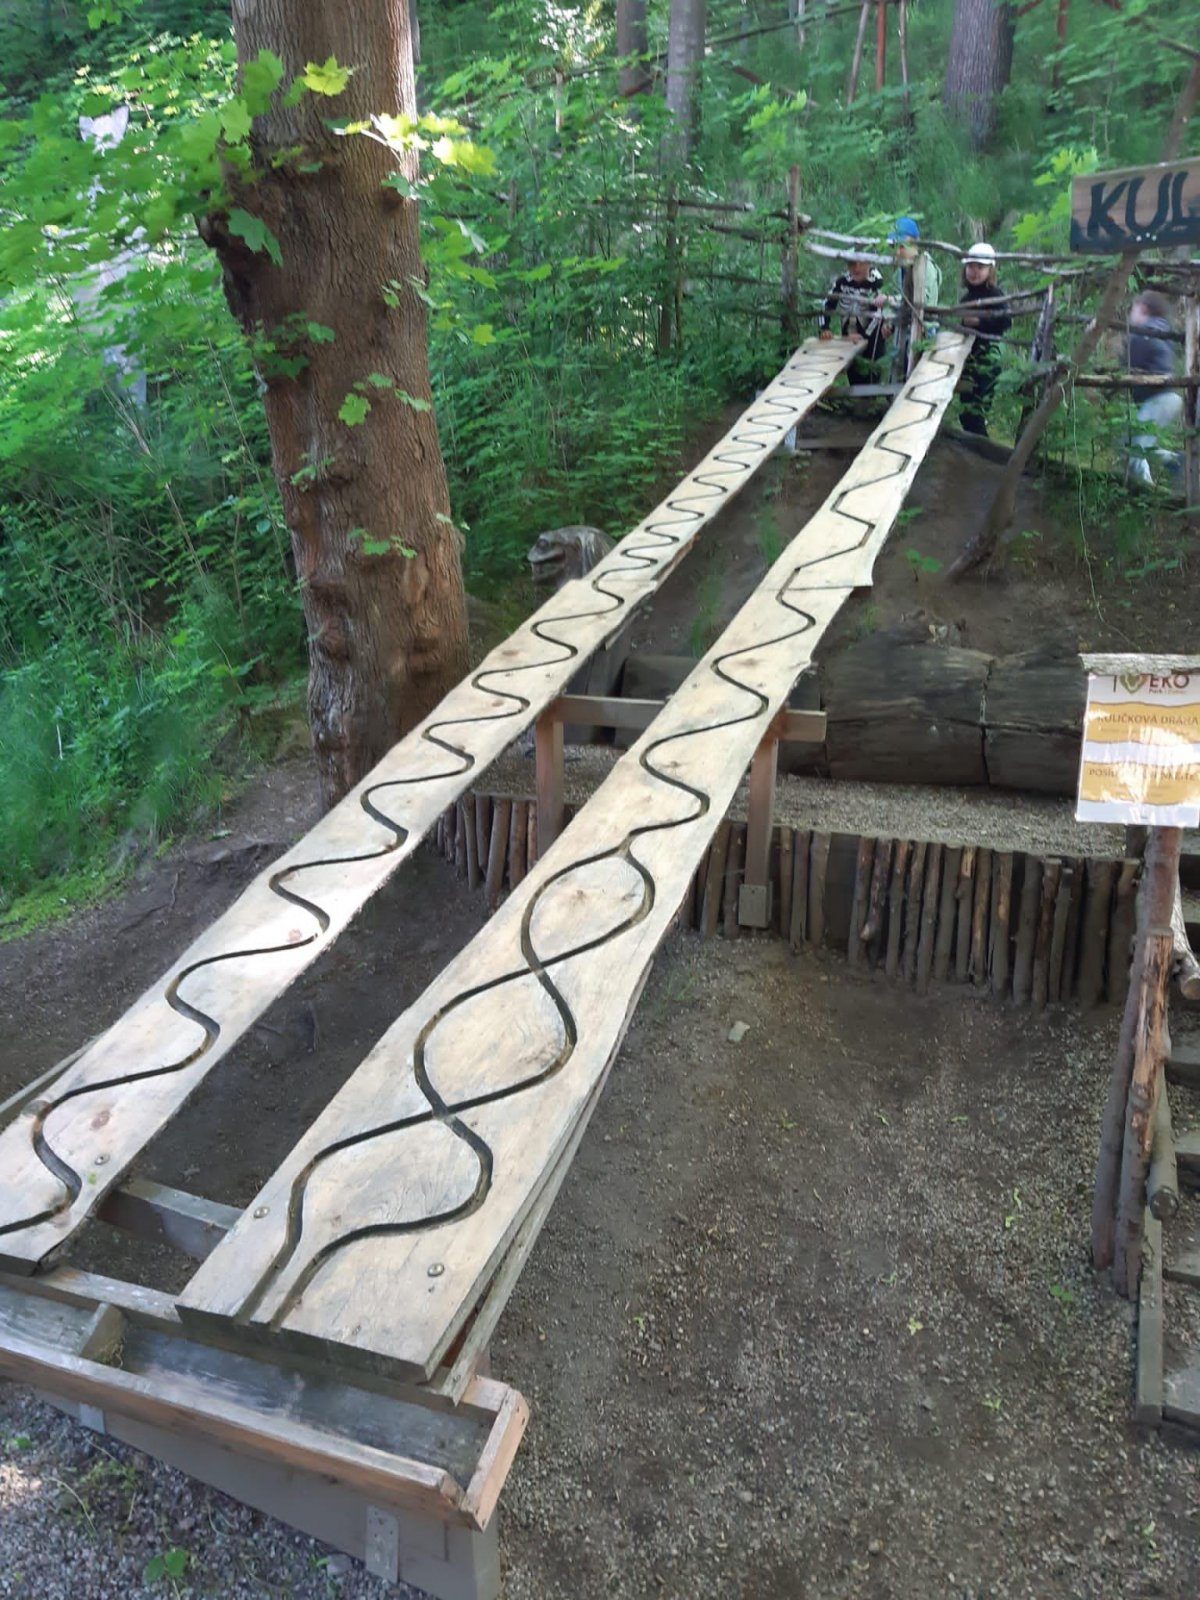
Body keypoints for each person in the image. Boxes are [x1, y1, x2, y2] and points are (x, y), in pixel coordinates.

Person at [1125, 290, 1182, 488]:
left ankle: (1147, 491)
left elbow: (1129, 364)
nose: (1130, 314)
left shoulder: (1144, 333)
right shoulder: (1161, 331)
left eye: (1133, 309)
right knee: (1136, 443)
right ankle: (1175, 461)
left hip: (1157, 398)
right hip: (1168, 397)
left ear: (1143, 308)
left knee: (1136, 450)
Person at [957, 241, 1012, 437]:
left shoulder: (995, 295)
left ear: (990, 270)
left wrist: (979, 321)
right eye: (970, 267)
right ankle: (974, 446)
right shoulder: (966, 299)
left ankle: (981, 447)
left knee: (977, 410)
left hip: (988, 358)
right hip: (969, 359)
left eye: (980, 267)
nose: (974, 272)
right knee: (966, 411)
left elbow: (1005, 322)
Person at [818, 252, 886, 383]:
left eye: (861, 263)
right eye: (852, 264)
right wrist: (824, 328)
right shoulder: (841, 282)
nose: (856, 268)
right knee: (853, 374)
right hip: (847, 337)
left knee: (871, 376)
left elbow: (879, 313)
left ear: (869, 263)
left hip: (872, 339)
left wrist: (865, 336)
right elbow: (826, 304)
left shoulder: (877, 283)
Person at [886, 217, 941, 355]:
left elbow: (924, 301)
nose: (897, 252)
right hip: (904, 330)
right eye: (894, 247)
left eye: (902, 246)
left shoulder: (926, 267)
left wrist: (892, 300)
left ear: (915, 244)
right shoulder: (900, 271)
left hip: (924, 330)